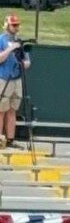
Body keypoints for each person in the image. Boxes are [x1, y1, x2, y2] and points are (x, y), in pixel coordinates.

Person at [0, 13, 28, 149]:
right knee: (1, 110)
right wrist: (11, 49)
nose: (16, 27)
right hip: (4, 77)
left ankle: (10, 139)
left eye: (17, 25)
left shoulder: (20, 41)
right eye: (14, 25)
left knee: (12, 110)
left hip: (17, 78)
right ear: (7, 25)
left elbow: (27, 61)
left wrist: (24, 63)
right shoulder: (1, 39)